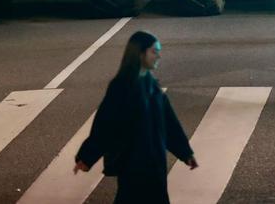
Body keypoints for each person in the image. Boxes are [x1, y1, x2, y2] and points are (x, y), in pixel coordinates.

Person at [75, 31, 197, 202]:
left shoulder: (152, 84)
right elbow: (105, 124)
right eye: (154, 51)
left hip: (154, 162)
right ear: (140, 53)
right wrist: (87, 157)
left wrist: (185, 153)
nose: (159, 56)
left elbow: (169, 122)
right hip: (132, 162)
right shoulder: (121, 86)